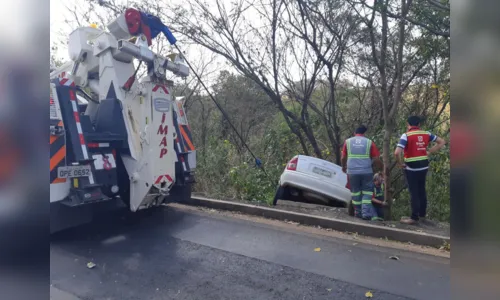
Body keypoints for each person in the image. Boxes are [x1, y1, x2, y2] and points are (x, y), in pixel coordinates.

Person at [394, 116, 446, 225]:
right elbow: (442, 142)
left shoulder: (406, 135)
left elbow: (397, 152)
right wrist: (429, 151)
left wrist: (399, 164)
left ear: (408, 124)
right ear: (419, 125)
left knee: (414, 193)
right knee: (422, 191)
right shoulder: (426, 133)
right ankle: (422, 216)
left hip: (411, 168)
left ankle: (414, 218)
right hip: (424, 166)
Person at [341, 125, 383, 220]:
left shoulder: (347, 142)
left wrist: (343, 167)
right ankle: (365, 213)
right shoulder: (369, 142)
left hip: (352, 171)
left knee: (355, 192)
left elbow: (343, 157)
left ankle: (358, 213)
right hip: (366, 171)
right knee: (367, 192)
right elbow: (376, 159)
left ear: (354, 133)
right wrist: (382, 168)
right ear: (364, 133)